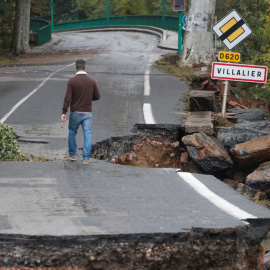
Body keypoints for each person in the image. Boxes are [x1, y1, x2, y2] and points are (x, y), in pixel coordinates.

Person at [61, 59, 100, 164]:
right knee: (87, 133)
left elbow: (67, 98)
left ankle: (72, 154)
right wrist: (88, 97)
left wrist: (64, 112)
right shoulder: (92, 81)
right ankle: (86, 158)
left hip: (75, 112)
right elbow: (97, 96)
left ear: (75, 67)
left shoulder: (72, 81)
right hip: (87, 112)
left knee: (72, 132)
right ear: (85, 68)